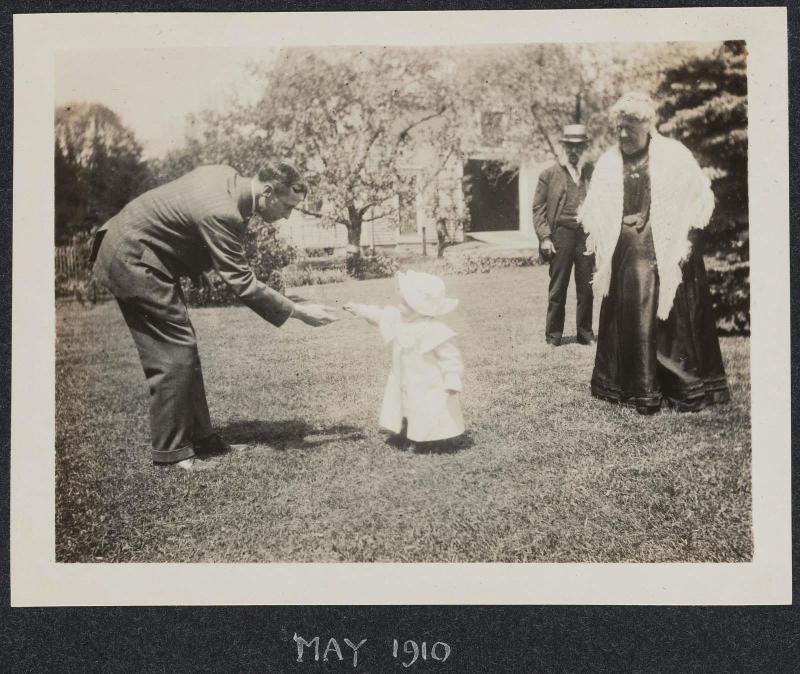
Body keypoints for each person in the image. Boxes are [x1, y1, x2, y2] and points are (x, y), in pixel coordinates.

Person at [91, 161, 340, 470]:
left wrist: (196, 267)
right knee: (174, 352)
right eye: (287, 207)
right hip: (131, 258)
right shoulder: (223, 211)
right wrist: (299, 311)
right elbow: (243, 283)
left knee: (182, 347)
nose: (288, 216)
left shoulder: (226, 178)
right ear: (267, 192)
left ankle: (202, 438)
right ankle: (172, 454)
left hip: (134, 249)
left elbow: (181, 220)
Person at [580, 92, 730, 414]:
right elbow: (596, 207)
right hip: (626, 246)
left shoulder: (673, 154)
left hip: (664, 241)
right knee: (634, 273)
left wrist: (679, 234)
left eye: (630, 127)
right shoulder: (609, 162)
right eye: (619, 128)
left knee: (652, 282)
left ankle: (679, 386)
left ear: (648, 125)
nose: (623, 135)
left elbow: (698, 193)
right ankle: (633, 386)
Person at [343, 271, 464, 447]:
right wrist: (359, 309)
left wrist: (452, 379)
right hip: (405, 376)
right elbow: (379, 315)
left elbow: (450, 358)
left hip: (429, 380)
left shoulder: (435, 329)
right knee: (407, 403)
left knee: (430, 407)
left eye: (405, 303)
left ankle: (435, 438)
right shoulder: (398, 319)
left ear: (420, 308)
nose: (399, 306)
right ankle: (409, 428)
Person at [532, 124, 595, 346]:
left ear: (585, 147)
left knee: (586, 287)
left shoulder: (591, 173)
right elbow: (538, 208)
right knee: (558, 286)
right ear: (564, 147)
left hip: (586, 235)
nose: (574, 150)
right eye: (570, 146)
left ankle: (585, 334)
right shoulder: (549, 175)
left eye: (578, 146)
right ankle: (553, 335)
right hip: (560, 235)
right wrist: (545, 237)